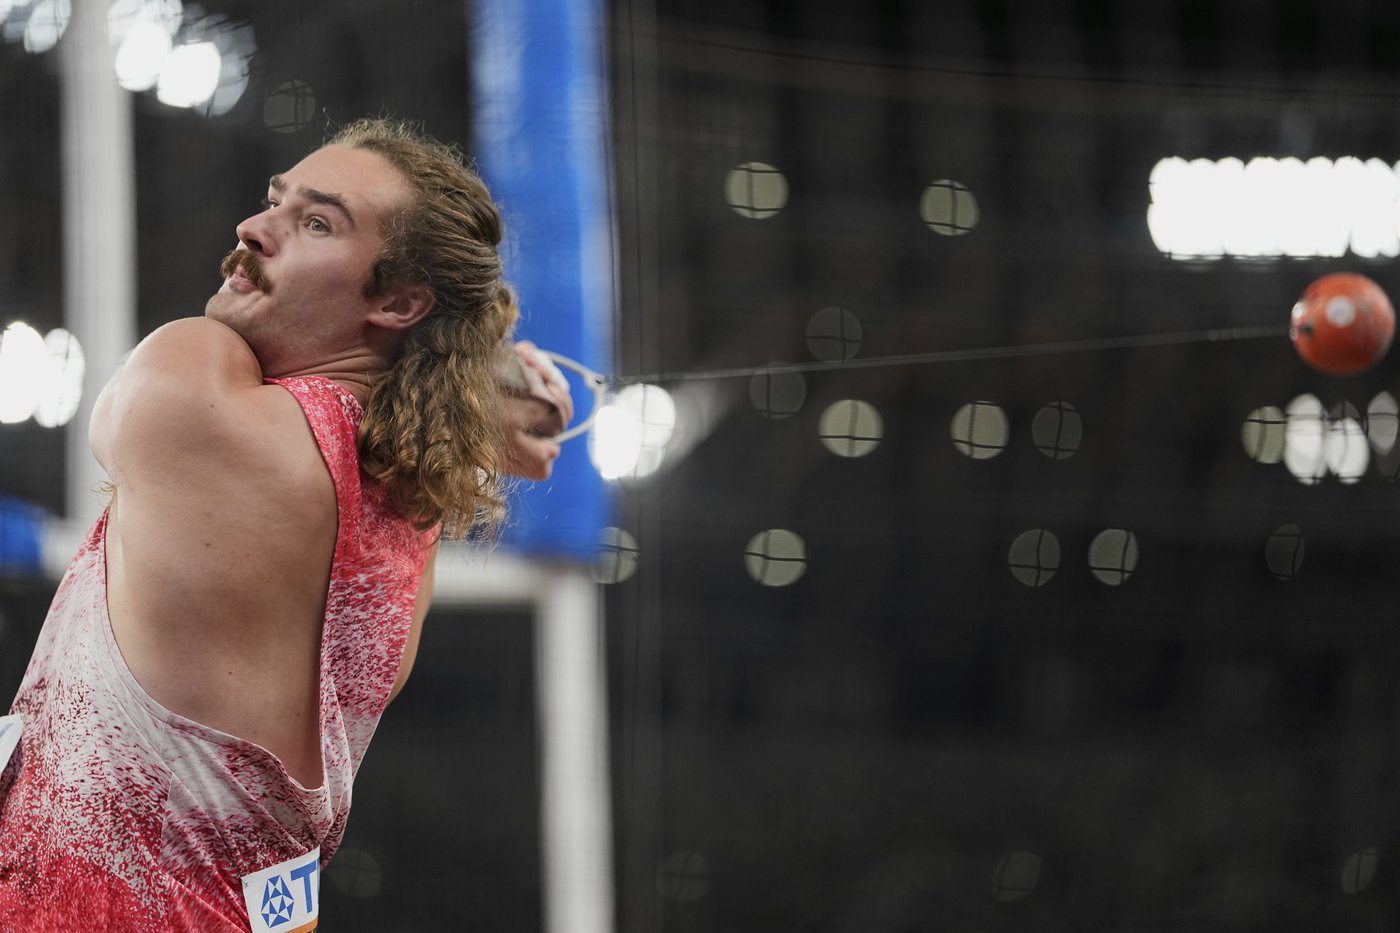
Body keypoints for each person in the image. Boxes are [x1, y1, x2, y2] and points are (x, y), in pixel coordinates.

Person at [0, 117, 572, 931]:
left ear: (398, 301)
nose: (253, 228)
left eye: (317, 223)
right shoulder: (409, 511)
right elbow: (401, 396)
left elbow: (206, 354)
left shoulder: (200, 407)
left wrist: (479, 384)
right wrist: (469, 383)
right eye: (275, 201)